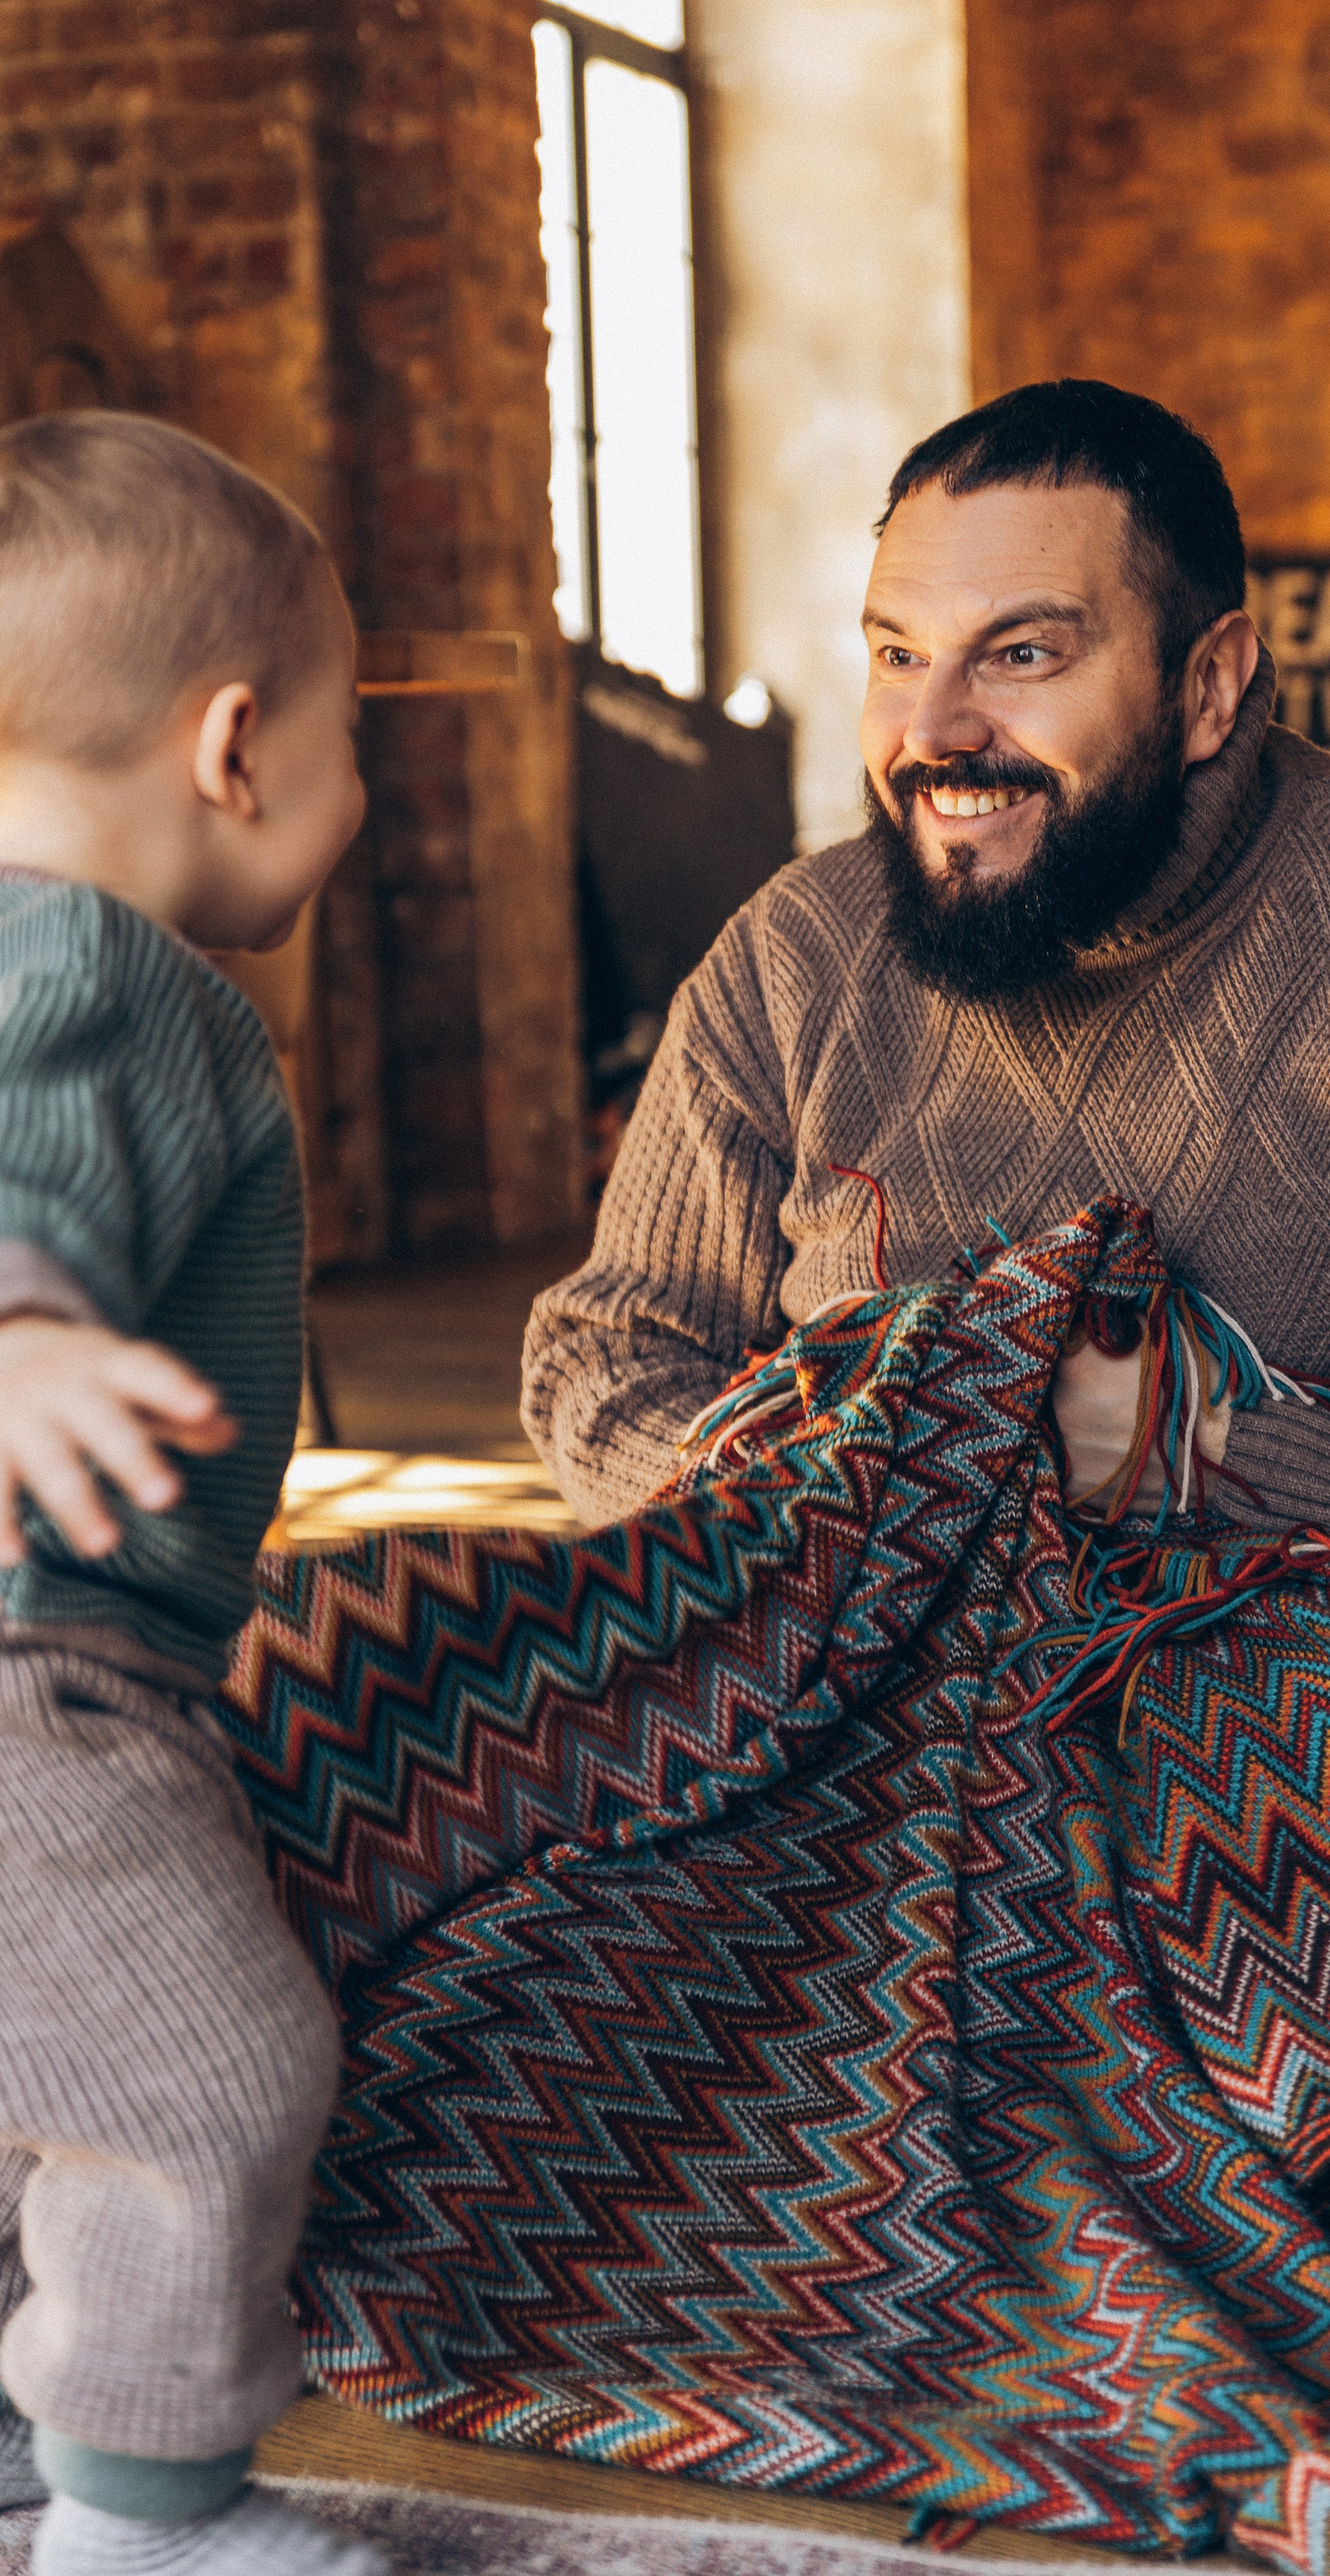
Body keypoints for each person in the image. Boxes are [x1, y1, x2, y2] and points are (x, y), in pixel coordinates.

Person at [524, 377, 1330, 1839]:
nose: (931, 730)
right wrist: (840, 1486)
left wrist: (1198, 1462)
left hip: (1279, 1683)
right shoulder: (793, 956)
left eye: (1018, 654)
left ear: (1207, 684)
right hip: (860, 1662)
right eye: (894, 653)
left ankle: (1003, 1938)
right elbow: (603, 1352)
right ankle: (1073, 1958)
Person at [0, 415, 383, 2576]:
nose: (356, 796)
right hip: (35, 1680)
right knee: (205, 2080)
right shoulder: (95, 970)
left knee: (23, 2093)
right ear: (235, 744)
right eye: (354, 742)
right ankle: (149, 2532)